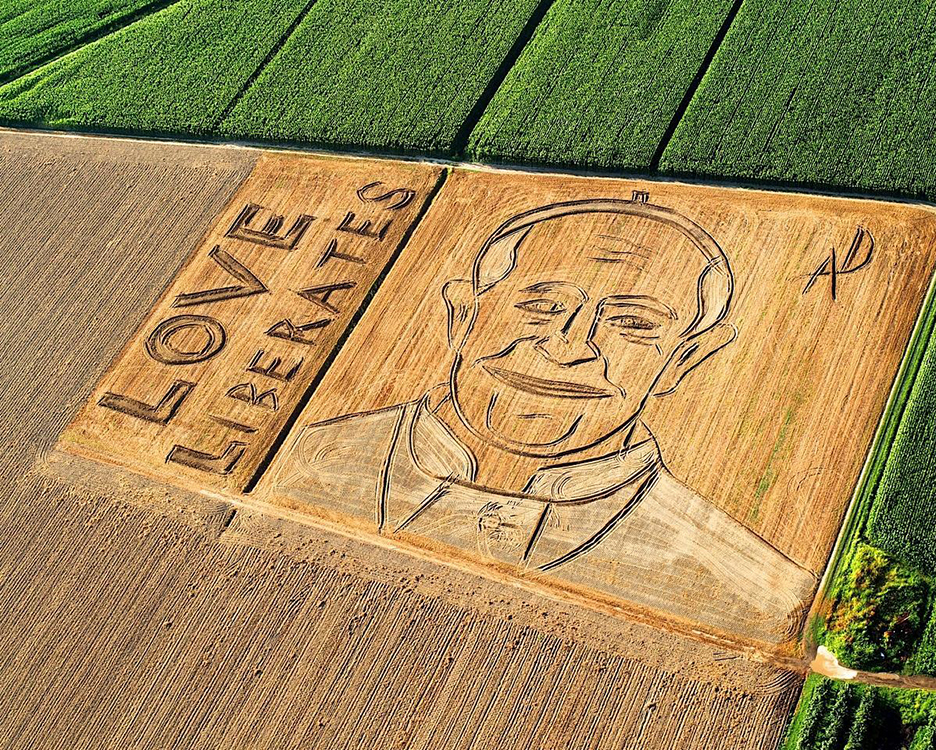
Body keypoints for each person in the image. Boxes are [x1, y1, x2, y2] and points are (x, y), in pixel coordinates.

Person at [274, 193, 816, 643]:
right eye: (543, 305)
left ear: (682, 359)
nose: (569, 346)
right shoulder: (305, 458)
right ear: (464, 314)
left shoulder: (751, 592)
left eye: (631, 323)